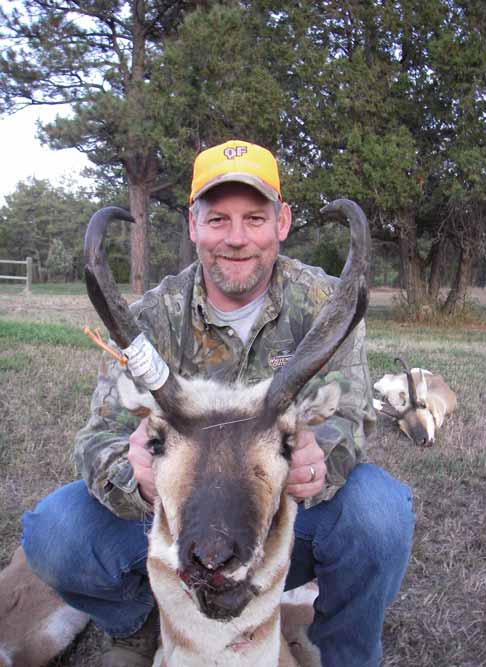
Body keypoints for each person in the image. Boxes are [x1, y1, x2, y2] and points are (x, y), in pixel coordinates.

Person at [22, 140, 415, 667]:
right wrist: (131, 467)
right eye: (218, 219)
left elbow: (346, 414)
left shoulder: (327, 308)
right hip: (175, 519)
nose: (235, 239)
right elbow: (99, 436)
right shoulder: (150, 319)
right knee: (54, 533)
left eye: (254, 218)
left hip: (279, 516)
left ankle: (344, 653)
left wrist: (319, 456)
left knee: (379, 513)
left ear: (282, 222)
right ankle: (137, 624)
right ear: (193, 224)